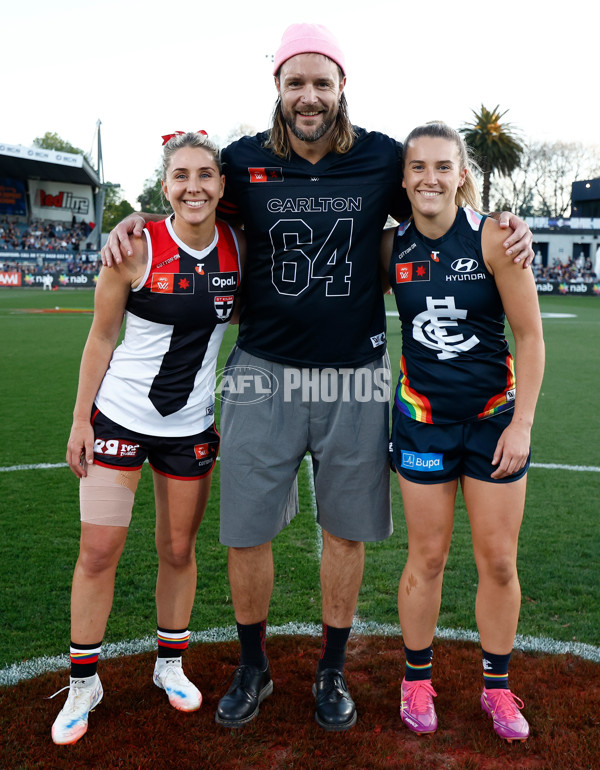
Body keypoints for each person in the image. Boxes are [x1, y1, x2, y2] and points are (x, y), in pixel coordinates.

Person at [101, 24, 535, 732]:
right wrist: (136, 218)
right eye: (295, 81)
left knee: (346, 532)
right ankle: (254, 666)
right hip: (261, 372)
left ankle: (331, 670)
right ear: (276, 86)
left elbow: (441, 208)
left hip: (356, 375)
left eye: (322, 82)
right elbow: (192, 203)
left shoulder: (381, 157)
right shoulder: (239, 161)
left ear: (342, 89)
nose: (309, 96)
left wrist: (501, 222)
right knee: (245, 532)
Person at [50, 131, 244, 745]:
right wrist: (81, 420)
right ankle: (85, 681)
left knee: (178, 551)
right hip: (118, 420)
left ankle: (169, 665)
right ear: (164, 186)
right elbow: (101, 339)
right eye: (181, 175)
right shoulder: (136, 248)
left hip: (188, 429)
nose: (194, 186)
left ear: (220, 185)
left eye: (205, 175)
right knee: (99, 553)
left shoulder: (240, 249)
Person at [381, 122, 544, 742]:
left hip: (493, 421)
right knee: (427, 557)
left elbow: (529, 337)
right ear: (403, 178)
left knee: (499, 561)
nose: (430, 178)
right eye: (418, 167)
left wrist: (522, 425)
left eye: (443, 166)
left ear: (461, 174)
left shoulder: (497, 240)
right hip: (423, 423)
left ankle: (497, 690)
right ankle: (416, 679)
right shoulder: (388, 245)